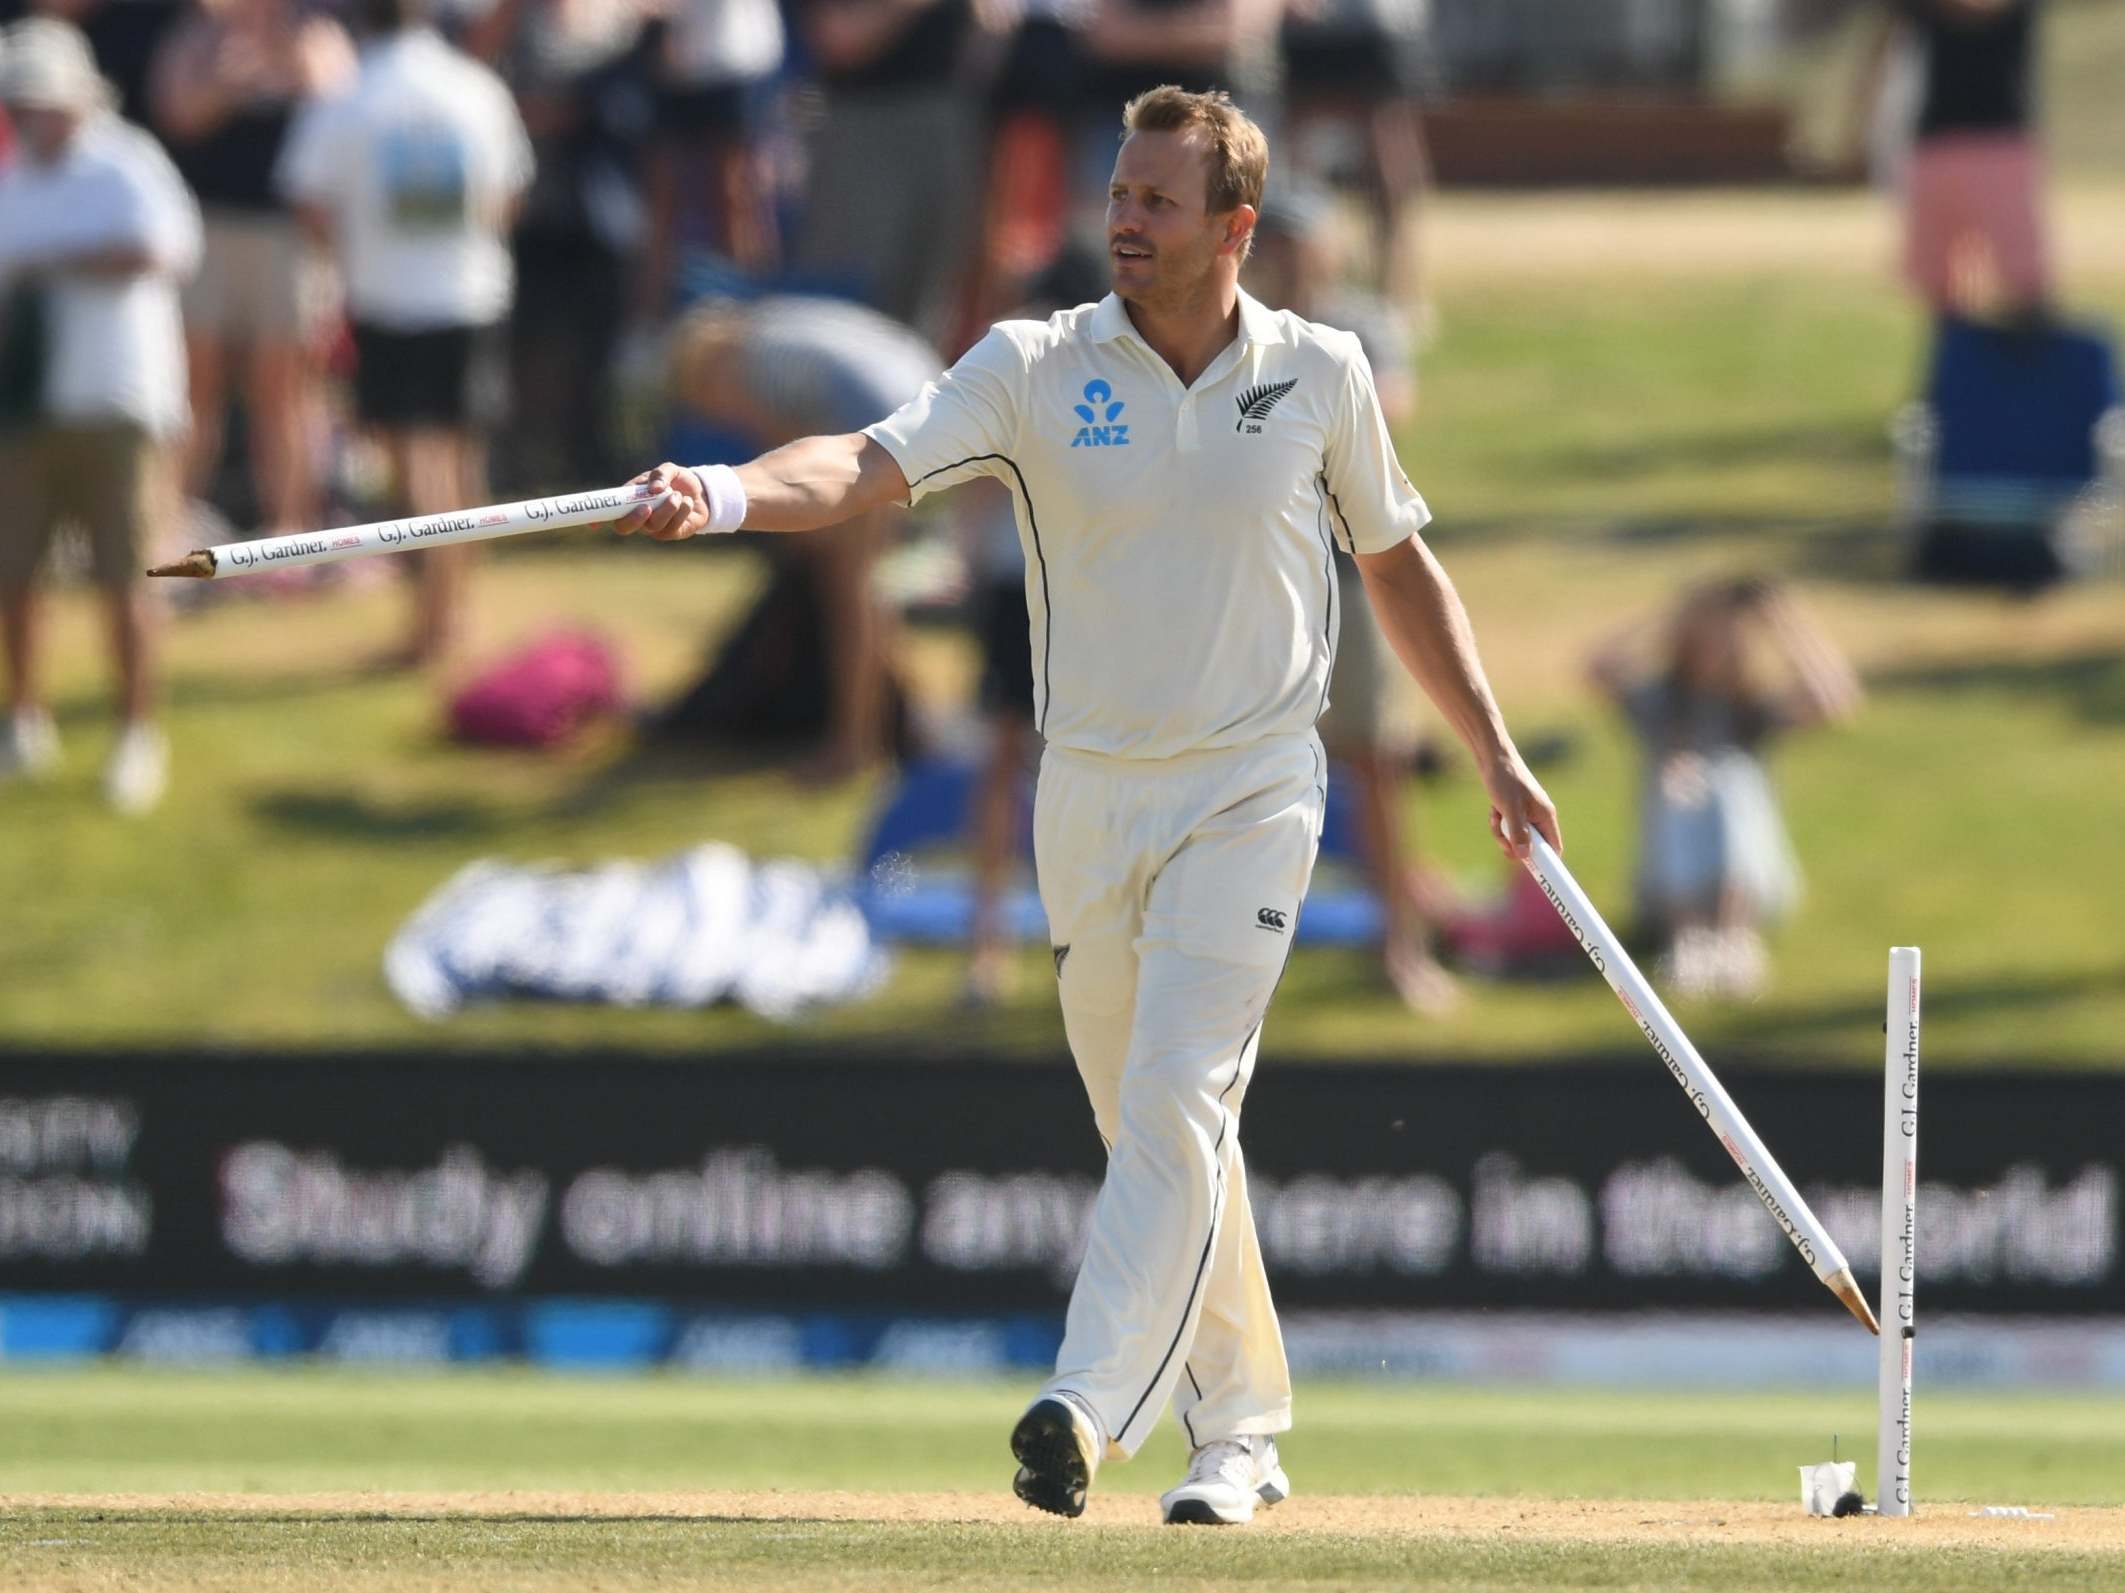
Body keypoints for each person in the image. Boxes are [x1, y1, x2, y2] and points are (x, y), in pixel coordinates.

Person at [610, 86, 1557, 1525]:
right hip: (1089, 796)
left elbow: (1400, 569)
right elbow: (861, 466)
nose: (1122, 218)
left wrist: (1489, 746)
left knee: (1181, 1091)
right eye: (1117, 194)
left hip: (1251, 790)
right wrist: (728, 491)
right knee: (1159, 1127)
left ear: (1234, 228)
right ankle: (1238, 1432)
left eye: (1157, 201)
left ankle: (1087, 1404)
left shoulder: (1321, 374)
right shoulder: (1036, 364)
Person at [1245, 181, 1454, 1013]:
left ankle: (1400, 942)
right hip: (1255, 572)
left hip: (1342, 568)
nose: (1293, 262)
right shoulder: (1229, 332)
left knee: (1375, 757)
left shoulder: (1357, 325)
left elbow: (1381, 422)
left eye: (1306, 245)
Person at [276, 0, 532, 670]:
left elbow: (307, 198)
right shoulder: (475, 85)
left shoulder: (350, 94)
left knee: (419, 462)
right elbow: (507, 194)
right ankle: (454, 611)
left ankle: (433, 625)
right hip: (469, 291)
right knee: (457, 454)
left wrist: (353, 255)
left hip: (390, 299)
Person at [0, 16, 200, 811]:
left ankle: (135, 730)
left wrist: (59, 267)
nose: (28, 115)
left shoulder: (128, 161)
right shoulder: (15, 181)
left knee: (128, 577)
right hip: (27, 408)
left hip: (120, 402)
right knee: (15, 573)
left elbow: (165, 251)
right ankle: (24, 716)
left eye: (39, 101)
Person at [661, 294, 940, 782]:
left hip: (879, 417)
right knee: (866, 585)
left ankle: (853, 746)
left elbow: (791, 467)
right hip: (925, 393)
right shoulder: (773, 330)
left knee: (849, 590)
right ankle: (894, 725)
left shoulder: (747, 369)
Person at [1586, 576, 1861, 999]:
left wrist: (1784, 623)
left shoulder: (1748, 711)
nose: (1717, 646)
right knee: (1682, 779)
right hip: (1666, 884)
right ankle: (1689, 938)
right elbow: (1597, 666)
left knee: (1731, 776)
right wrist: (1672, 613)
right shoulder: (1661, 704)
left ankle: (1734, 938)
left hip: (1754, 879)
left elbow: (1835, 701)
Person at [150, 0, 352, 537]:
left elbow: (344, 111)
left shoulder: (315, 34)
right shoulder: (198, 34)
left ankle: (290, 534)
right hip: (206, 229)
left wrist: (291, 68)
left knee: (285, 392)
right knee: (195, 388)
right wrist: (230, 82)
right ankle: (171, 528)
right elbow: (178, 114)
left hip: (287, 235)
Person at [1894, 0, 2049, 322]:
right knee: (1940, 289)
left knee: (2025, 284)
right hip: (1937, 148)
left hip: (2000, 148)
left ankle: (2029, 364)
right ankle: (1962, 359)